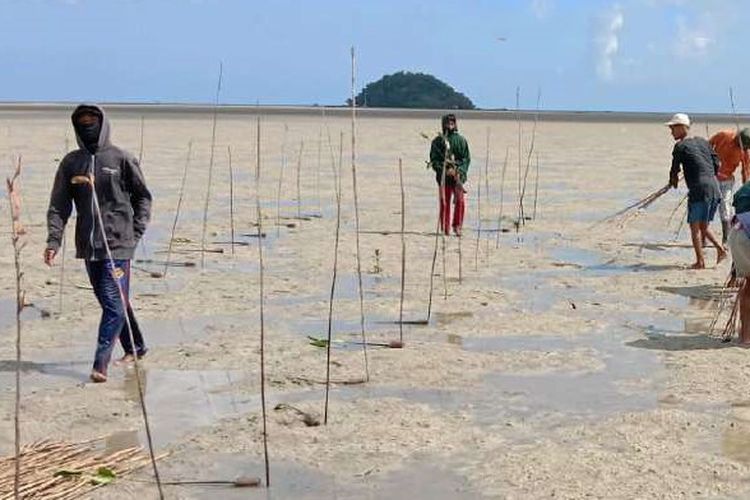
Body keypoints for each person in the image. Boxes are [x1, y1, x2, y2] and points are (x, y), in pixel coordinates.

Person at [45, 104, 152, 383]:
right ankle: (136, 347)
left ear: (102, 124)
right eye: (82, 122)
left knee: (113, 304)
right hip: (89, 246)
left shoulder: (121, 159)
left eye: (92, 120)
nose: (88, 125)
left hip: (118, 244)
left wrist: (134, 232)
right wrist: (53, 240)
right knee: (113, 300)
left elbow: (143, 197)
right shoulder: (71, 163)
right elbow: (59, 204)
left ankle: (100, 364)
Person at [666, 112, 727, 269]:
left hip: (699, 190)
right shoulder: (703, 141)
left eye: (673, 128)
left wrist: (673, 182)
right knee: (703, 227)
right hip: (714, 188)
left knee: (695, 228)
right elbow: (717, 164)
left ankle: (700, 262)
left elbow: (674, 170)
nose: (671, 131)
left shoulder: (679, 146)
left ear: (682, 128)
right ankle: (721, 249)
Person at [429, 114, 470, 236]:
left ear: (455, 124)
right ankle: (445, 227)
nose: (449, 125)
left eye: (452, 122)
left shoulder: (461, 140)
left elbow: (466, 159)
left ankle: (457, 226)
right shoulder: (437, 141)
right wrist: (443, 170)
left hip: (457, 177)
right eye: (447, 123)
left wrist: (459, 171)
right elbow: (434, 159)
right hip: (443, 178)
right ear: (443, 124)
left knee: (460, 202)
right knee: (444, 202)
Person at [709, 127, 750, 243]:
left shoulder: (745, 152)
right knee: (708, 206)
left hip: (727, 180)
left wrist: (745, 192)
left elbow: (745, 172)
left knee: (725, 207)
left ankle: (725, 238)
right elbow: (708, 145)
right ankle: (703, 237)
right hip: (711, 177)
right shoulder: (723, 135)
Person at [727, 182, 750, 344]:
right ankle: (746, 337)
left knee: (747, 286)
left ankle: (744, 334)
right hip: (744, 236)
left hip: (736, 230)